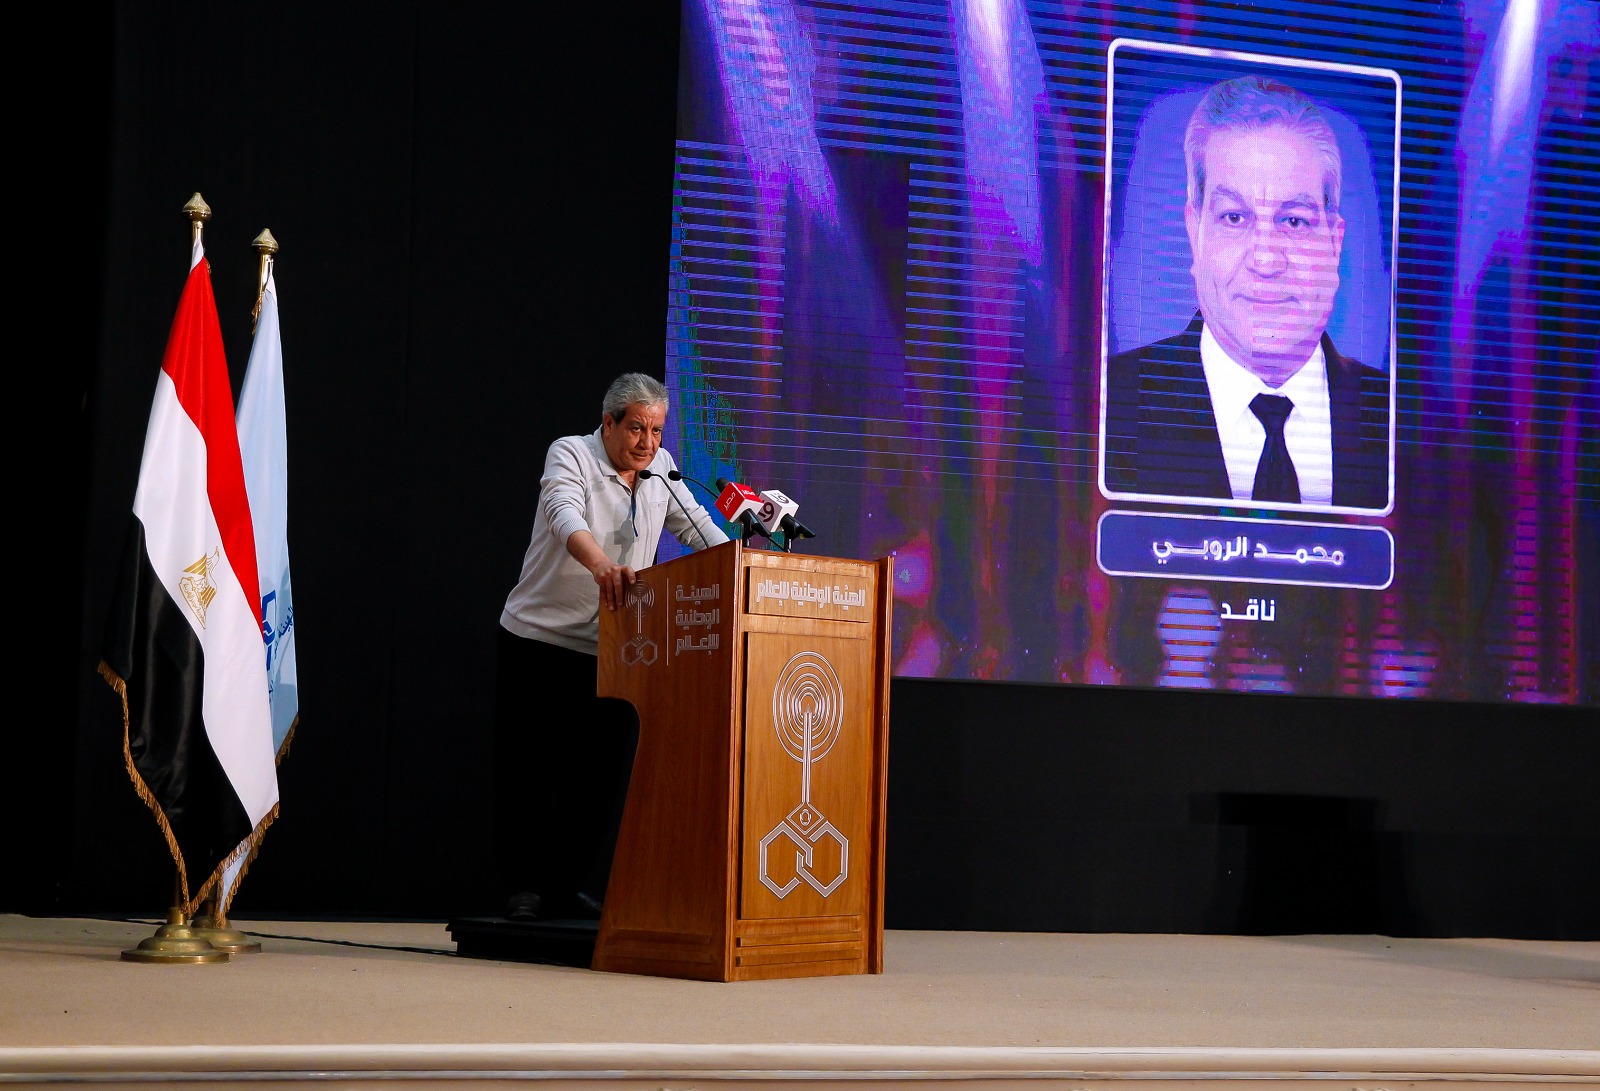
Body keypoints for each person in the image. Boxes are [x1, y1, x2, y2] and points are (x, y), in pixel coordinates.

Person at [493, 372, 730, 922]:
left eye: (657, 430)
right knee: (530, 771)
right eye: (637, 429)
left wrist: (745, 569)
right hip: (539, 639)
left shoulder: (661, 469)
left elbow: (700, 530)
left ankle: (565, 886)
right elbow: (563, 514)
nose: (648, 442)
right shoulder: (571, 453)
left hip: (615, 648)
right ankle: (525, 888)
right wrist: (601, 564)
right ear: (609, 423)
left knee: (595, 779)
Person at [1103, 74, 1389, 510]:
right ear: (1195, 232)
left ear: (1335, 242)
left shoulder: (1404, 422)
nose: (1266, 260)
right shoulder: (1104, 409)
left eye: (1294, 221)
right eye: (1234, 218)